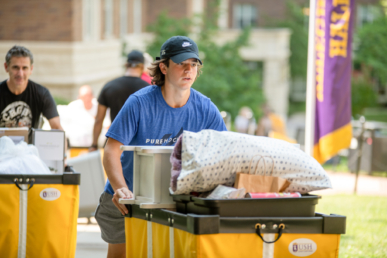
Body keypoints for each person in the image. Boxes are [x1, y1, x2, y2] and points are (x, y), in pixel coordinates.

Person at [95, 36, 227, 257]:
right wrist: (120, 188)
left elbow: (225, 153)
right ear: (164, 67)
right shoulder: (139, 103)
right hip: (127, 200)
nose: (188, 70)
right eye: (181, 63)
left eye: (193, 64)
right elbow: (111, 149)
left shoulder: (206, 108)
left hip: (177, 202)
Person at [0, 45, 64, 142]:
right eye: (15, 67)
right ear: (6, 67)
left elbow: (57, 128)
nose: (20, 73)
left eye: (24, 68)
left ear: (31, 69)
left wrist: (62, 155)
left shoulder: (41, 94)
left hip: (30, 152)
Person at [89, 50, 149, 151]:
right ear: (142, 67)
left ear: (126, 65)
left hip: (114, 144)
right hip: (138, 146)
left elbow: (99, 119)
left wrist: (94, 145)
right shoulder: (148, 89)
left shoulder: (109, 86)